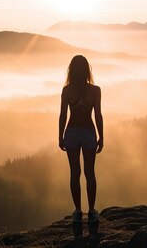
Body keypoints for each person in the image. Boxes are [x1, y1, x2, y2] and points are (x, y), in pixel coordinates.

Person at [59, 55, 104, 224]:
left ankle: (78, 211)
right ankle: (92, 211)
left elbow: (63, 114)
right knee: (89, 173)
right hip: (88, 133)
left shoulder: (67, 90)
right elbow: (98, 115)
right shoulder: (95, 90)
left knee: (74, 173)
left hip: (71, 133)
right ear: (87, 70)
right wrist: (101, 136)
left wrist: (60, 135)